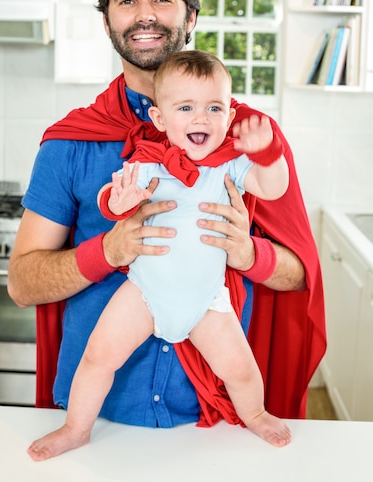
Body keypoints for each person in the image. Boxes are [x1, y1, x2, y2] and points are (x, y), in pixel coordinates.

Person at [8, 0, 326, 434]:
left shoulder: (247, 137)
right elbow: (22, 284)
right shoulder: (69, 144)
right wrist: (109, 250)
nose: (145, 13)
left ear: (190, 15)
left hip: (214, 416)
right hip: (99, 417)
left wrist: (247, 254)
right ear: (108, 19)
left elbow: (300, 275)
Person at [27, 51, 291, 460]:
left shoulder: (230, 164)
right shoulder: (149, 162)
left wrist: (268, 154)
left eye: (214, 108)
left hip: (206, 300)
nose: (201, 119)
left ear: (229, 114)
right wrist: (121, 199)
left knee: (239, 367)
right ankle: (75, 428)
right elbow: (112, 202)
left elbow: (272, 188)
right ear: (160, 119)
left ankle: (255, 414)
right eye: (186, 108)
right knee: (97, 357)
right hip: (145, 293)